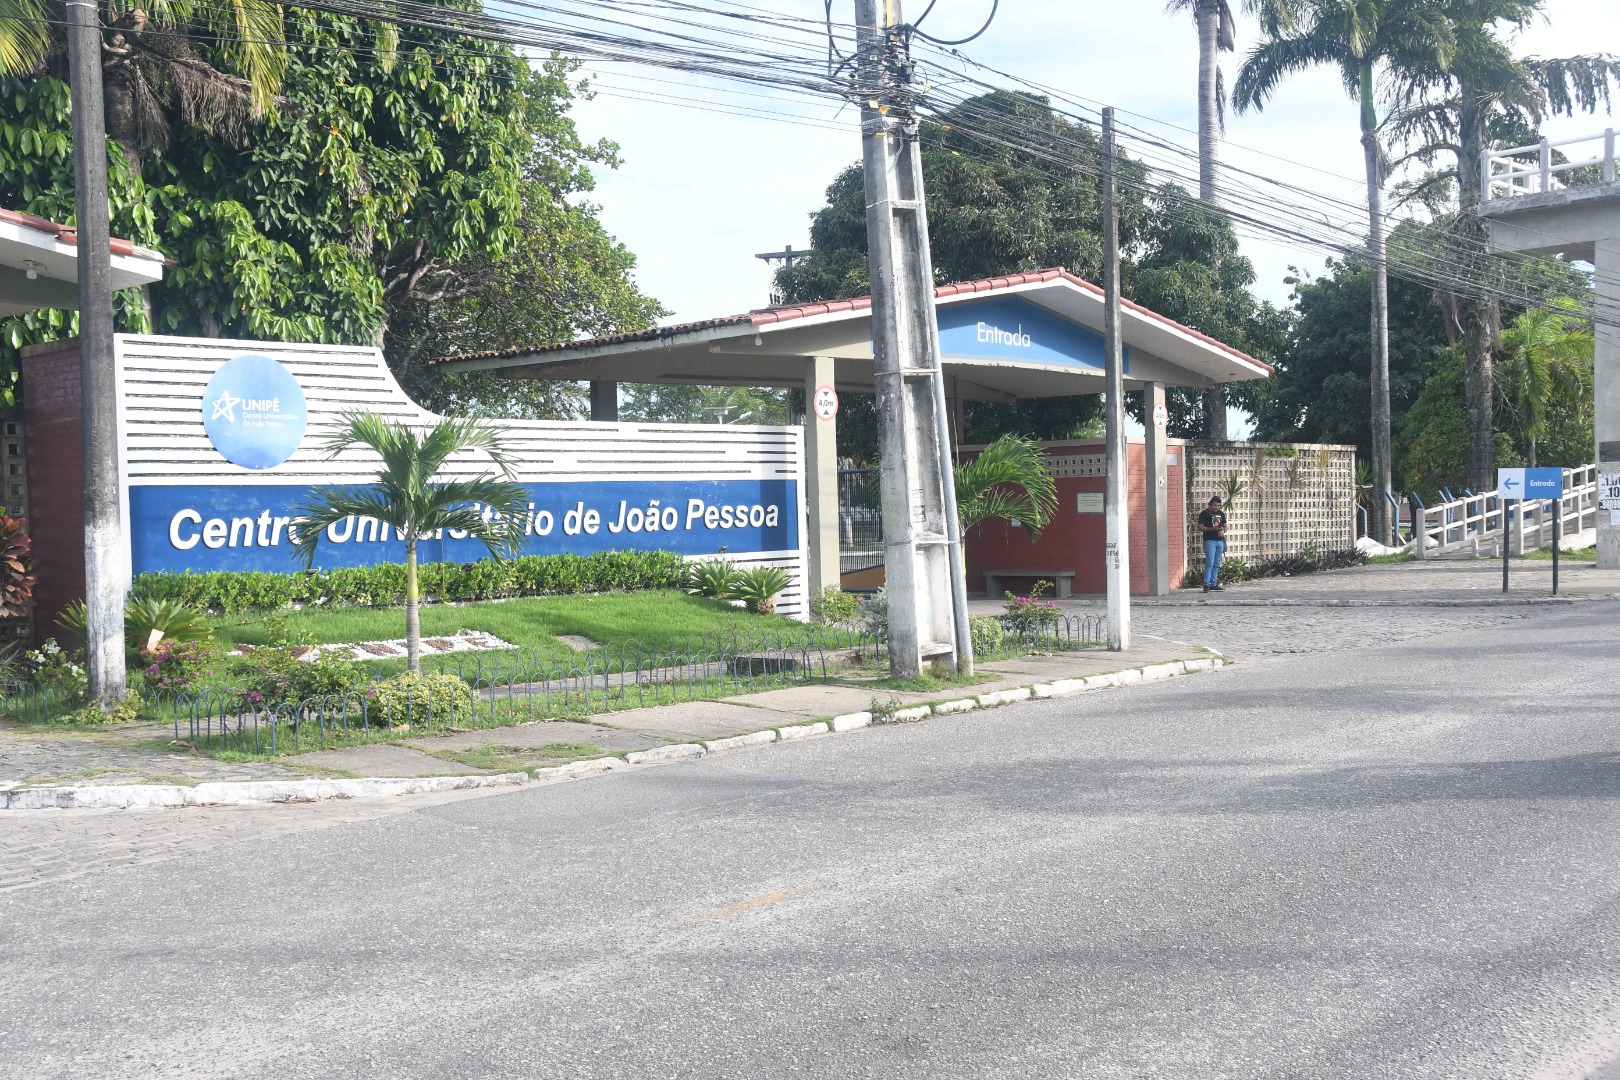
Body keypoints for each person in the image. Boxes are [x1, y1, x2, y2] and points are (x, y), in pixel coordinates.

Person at [1197, 496, 1227, 592]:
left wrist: (1223, 531)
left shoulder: (1221, 513)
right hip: (1209, 540)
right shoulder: (1204, 514)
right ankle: (1206, 584)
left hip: (1219, 540)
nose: (1216, 508)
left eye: (1218, 506)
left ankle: (1213, 583)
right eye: (1215, 505)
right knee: (1210, 562)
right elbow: (1201, 527)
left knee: (1217, 563)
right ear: (1210, 504)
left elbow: (1226, 526)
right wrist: (1212, 529)